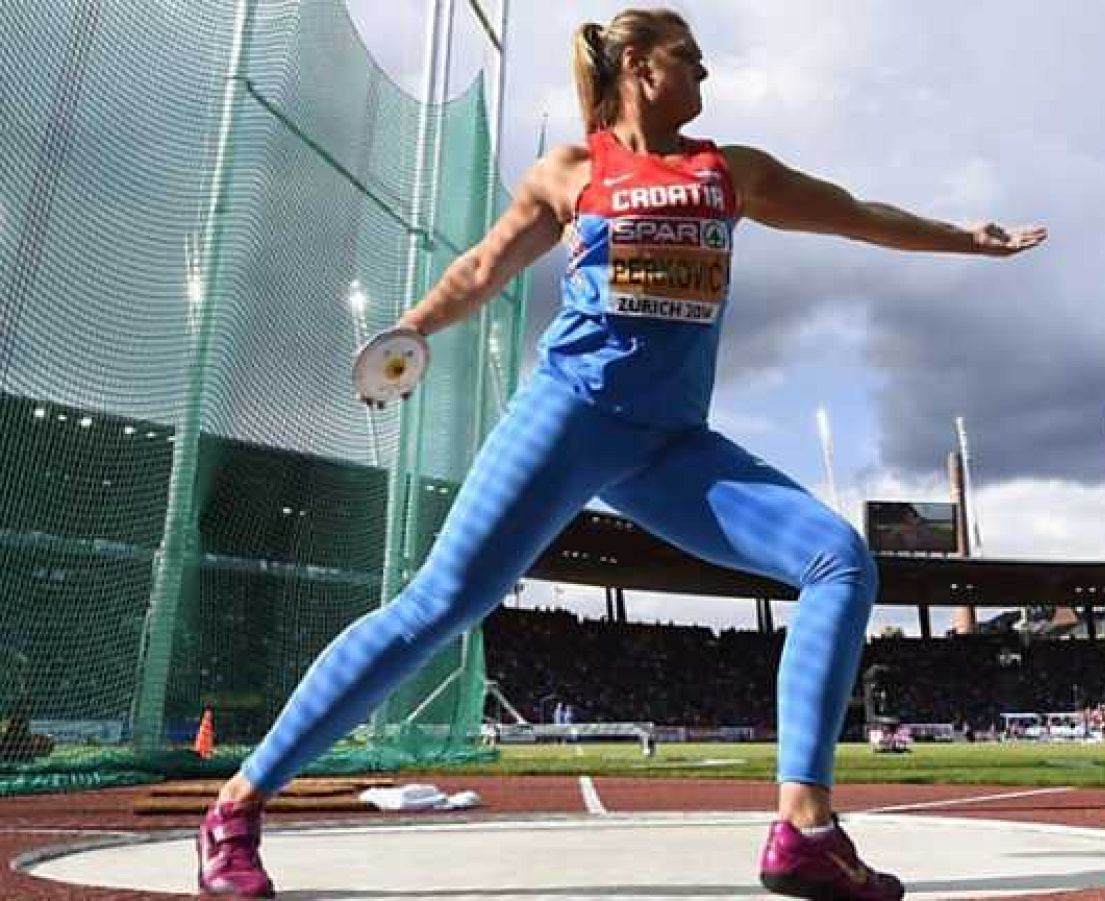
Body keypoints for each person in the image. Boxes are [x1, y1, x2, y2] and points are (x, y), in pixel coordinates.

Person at [195, 9, 1044, 900]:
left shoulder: (731, 172)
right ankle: (236, 807)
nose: (706, 76)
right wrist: (409, 330)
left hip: (670, 446)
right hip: (568, 417)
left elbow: (855, 216)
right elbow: (482, 268)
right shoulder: (572, 172)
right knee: (438, 605)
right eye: (691, 59)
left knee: (840, 559)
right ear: (639, 65)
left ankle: (804, 830)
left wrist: (964, 238)